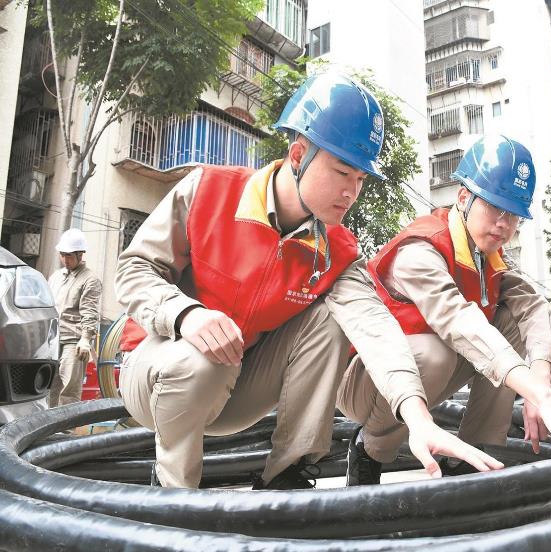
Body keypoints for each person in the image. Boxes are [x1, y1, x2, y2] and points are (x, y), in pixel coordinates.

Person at [115, 73, 502, 490]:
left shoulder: (339, 249)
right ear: (298, 155)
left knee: (332, 317)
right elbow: (134, 270)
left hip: (236, 385)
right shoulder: (207, 190)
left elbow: (376, 329)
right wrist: (186, 316)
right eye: (341, 172)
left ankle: (288, 476)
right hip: (156, 376)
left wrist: (417, 415)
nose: (352, 191)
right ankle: (174, 498)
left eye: (360, 180)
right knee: (200, 359)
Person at [338, 134, 551, 486]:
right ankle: (369, 449)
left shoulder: (489, 259)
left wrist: (539, 376)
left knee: (511, 322)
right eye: (495, 208)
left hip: (420, 375)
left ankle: (477, 459)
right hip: (366, 378)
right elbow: (459, 322)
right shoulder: (421, 250)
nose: (504, 224)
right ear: (463, 198)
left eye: (514, 215)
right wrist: (541, 395)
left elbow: (533, 308)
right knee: (437, 352)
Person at [48, 228, 102, 407]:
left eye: (69, 255)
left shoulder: (90, 279)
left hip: (75, 341)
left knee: (68, 389)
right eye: (62, 255)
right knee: (49, 387)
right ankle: (46, 432)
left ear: (80, 254)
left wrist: (86, 338)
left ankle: (65, 433)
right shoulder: (56, 277)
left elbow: (90, 311)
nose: (65, 259)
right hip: (53, 339)